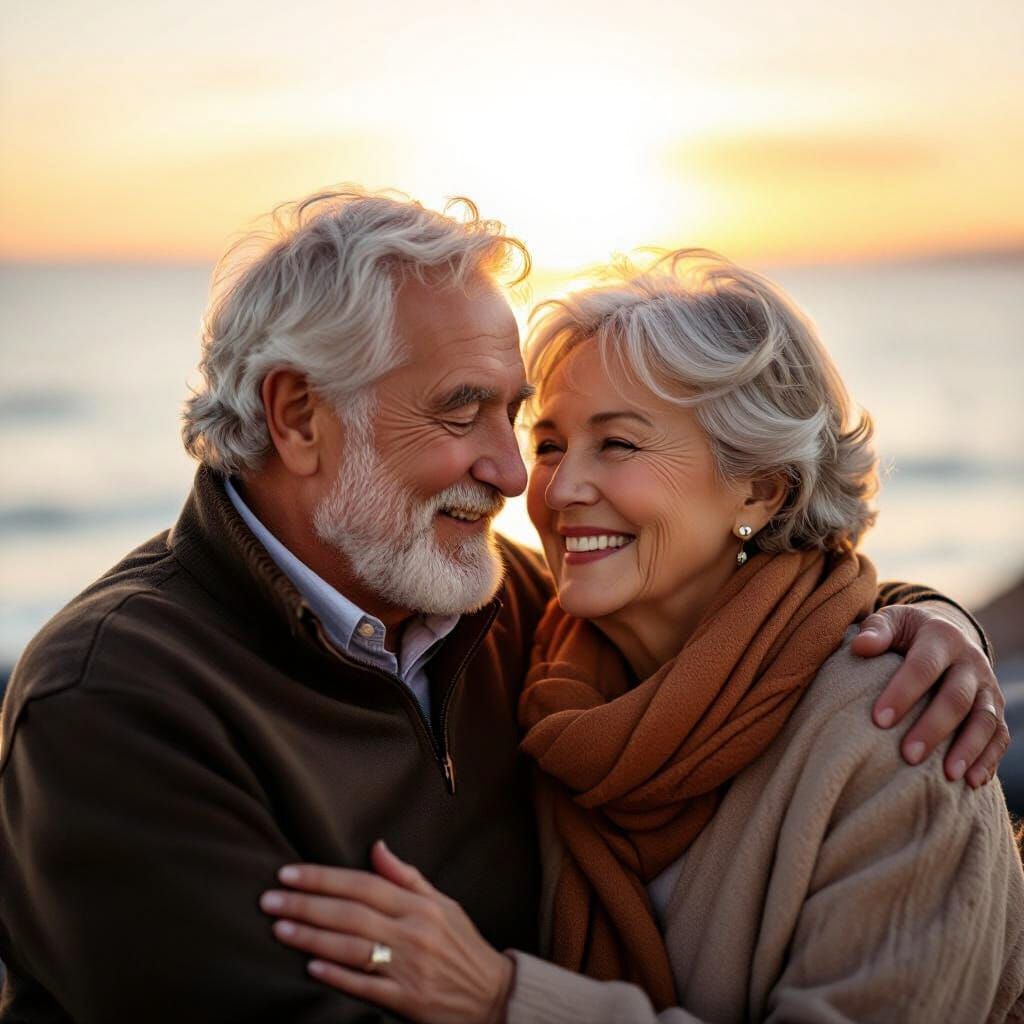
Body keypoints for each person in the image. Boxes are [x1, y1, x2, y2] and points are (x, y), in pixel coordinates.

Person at [0, 191, 1006, 1023]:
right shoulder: (116, 703)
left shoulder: (519, 613)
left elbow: (783, 617)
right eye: (462, 411)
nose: (516, 472)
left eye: (518, 416)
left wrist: (931, 620)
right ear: (298, 415)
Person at [258, 250, 1024, 1022]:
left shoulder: (907, 736)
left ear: (760, 485)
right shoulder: (540, 663)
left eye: (617, 444)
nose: (557, 491)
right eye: (550, 444)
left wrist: (503, 1000)